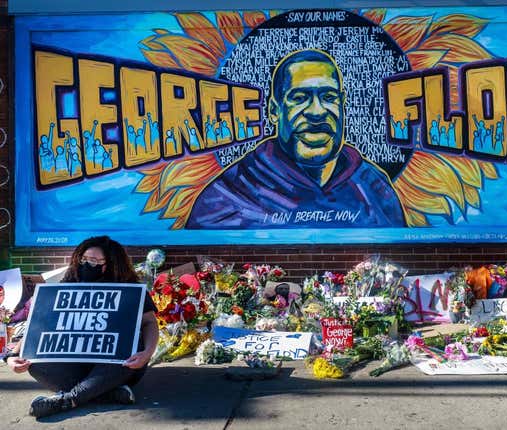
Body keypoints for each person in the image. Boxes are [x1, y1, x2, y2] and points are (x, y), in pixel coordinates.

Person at [186, 49, 405, 229]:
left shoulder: (373, 186)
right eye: (299, 98)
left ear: (342, 104)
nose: (317, 112)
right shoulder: (230, 193)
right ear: (274, 110)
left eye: (329, 97)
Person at [4, 236, 159, 419]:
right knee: (33, 360)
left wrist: (147, 353)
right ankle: (104, 393)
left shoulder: (131, 288)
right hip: (75, 365)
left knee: (135, 344)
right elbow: (42, 324)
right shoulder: (68, 284)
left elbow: (149, 323)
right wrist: (12, 356)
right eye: (83, 259)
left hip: (113, 368)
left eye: (94, 261)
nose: (86, 264)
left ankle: (68, 399)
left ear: (110, 264)